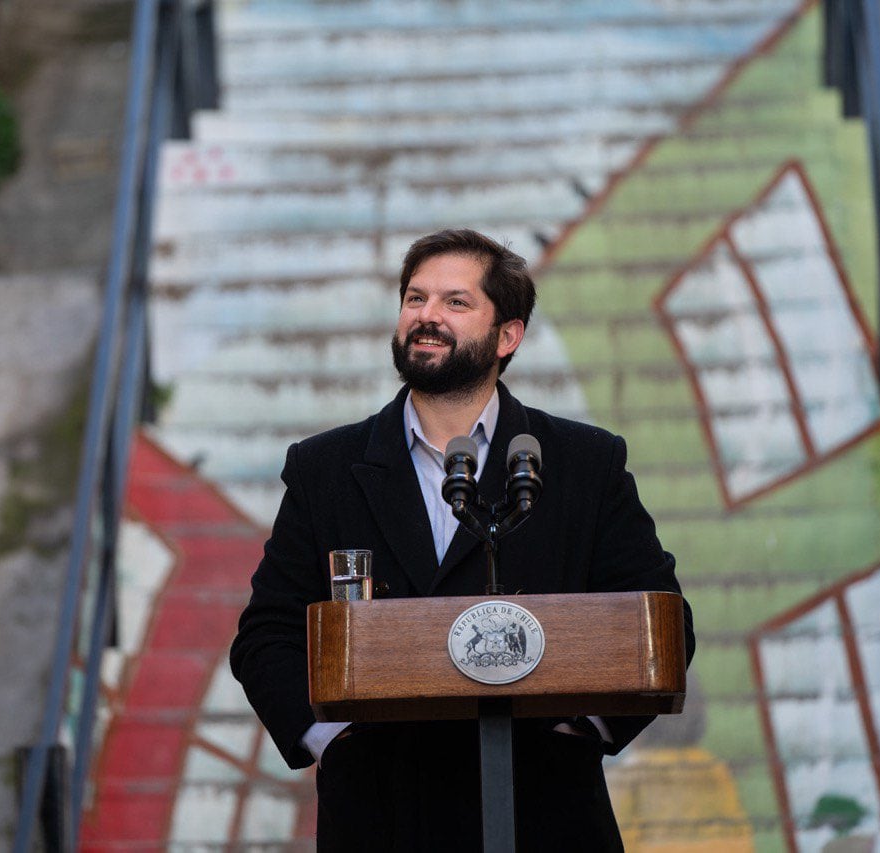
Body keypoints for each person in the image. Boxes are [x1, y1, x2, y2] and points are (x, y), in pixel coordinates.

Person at [229, 229, 695, 851]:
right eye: (415, 298)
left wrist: (583, 731)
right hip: (382, 816)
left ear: (508, 336)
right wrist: (334, 739)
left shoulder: (584, 464)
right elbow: (268, 633)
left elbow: (662, 622)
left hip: (544, 813)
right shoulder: (326, 469)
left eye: (455, 302)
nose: (427, 316)